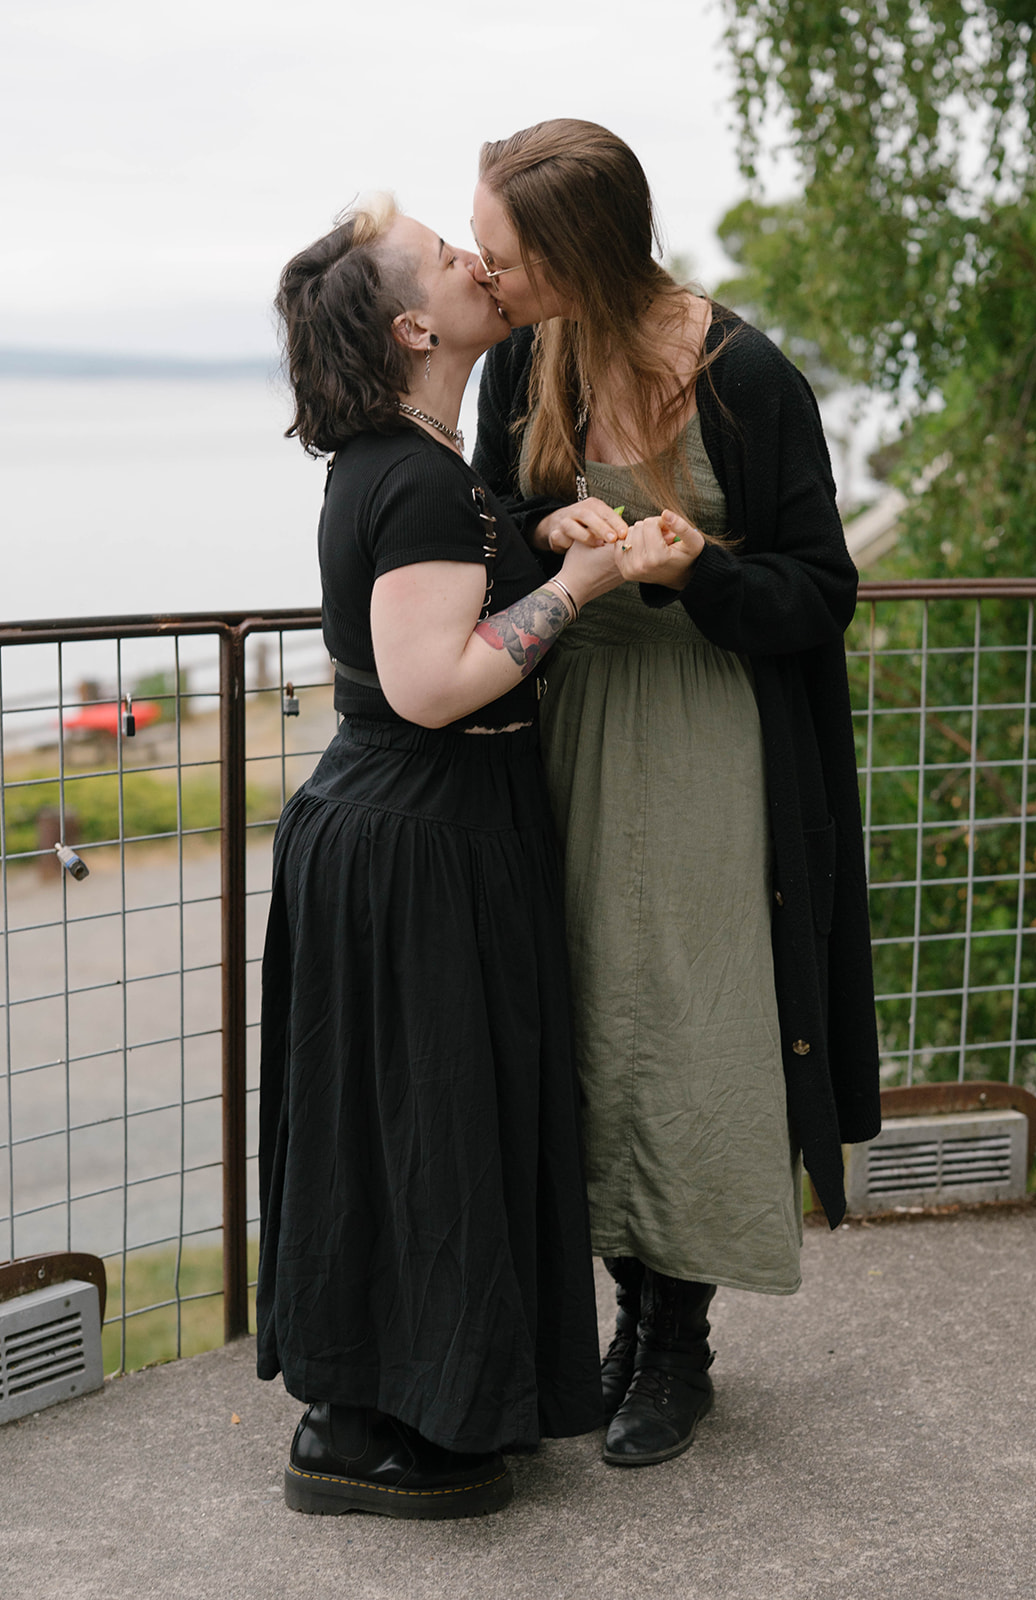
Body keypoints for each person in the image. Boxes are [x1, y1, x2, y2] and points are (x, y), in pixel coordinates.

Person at [470, 120, 882, 1470]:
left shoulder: (745, 376)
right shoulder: (524, 361)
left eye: (510, 257)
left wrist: (693, 564)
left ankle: (675, 1346)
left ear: (579, 255)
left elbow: (822, 593)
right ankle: (624, 1323)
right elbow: (481, 519)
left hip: (711, 742)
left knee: (691, 1034)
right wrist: (545, 526)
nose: (491, 278)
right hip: (565, 731)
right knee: (592, 1023)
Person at [257, 194, 622, 1519]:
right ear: (417, 324)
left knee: (406, 1128)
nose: (477, 262)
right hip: (416, 833)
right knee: (426, 1131)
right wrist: (581, 586)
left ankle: (394, 1406)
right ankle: (380, 1430)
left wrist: (530, 537)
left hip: (409, 831)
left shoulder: (410, 458)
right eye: (445, 256)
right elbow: (427, 681)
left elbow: (441, 582)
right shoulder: (410, 472)